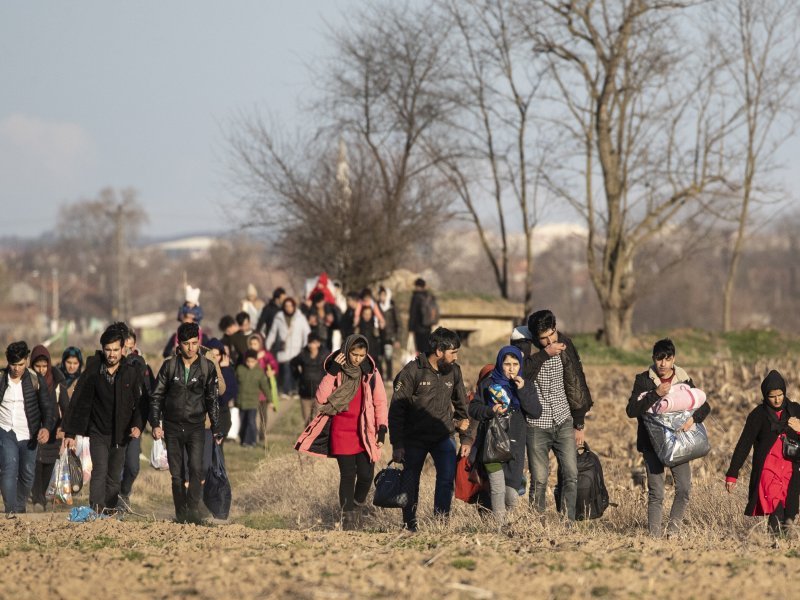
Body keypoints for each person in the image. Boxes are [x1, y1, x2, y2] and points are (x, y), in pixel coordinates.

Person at [295, 334, 388, 529]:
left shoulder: (370, 372)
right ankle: (348, 517)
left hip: (364, 430)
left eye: (361, 355)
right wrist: (332, 372)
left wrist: (382, 428)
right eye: (354, 354)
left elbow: (380, 401)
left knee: (366, 475)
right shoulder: (336, 371)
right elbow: (321, 399)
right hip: (340, 431)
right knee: (347, 475)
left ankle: (356, 505)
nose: (357, 359)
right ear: (347, 351)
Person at [512, 309, 593, 522]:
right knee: (539, 478)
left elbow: (577, 382)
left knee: (571, 474)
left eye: (552, 335)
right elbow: (520, 373)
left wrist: (579, 423)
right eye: (543, 338)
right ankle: (536, 522)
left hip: (564, 419)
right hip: (537, 424)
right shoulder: (526, 351)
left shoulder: (566, 345)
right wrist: (544, 354)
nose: (549, 341)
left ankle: (567, 521)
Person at [389, 327, 472, 532]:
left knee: (446, 479)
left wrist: (466, 439)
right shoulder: (411, 372)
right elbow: (397, 410)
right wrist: (397, 444)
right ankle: (410, 525)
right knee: (411, 480)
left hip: (444, 437)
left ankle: (440, 523)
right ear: (438, 351)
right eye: (452, 352)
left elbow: (462, 406)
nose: (455, 357)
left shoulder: (454, 371)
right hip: (414, 438)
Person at [627, 338, 711, 536]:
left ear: (673, 359)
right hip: (651, 444)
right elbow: (631, 410)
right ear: (653, 359)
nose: (663, 364)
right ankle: (654, 538)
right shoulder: (643, 380)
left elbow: (704, 405)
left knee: (683, 489)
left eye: (667, 359)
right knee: (656, 493)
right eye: (659, 359)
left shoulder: (684, 379)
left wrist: (693, 420)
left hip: (680, 443)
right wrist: (655, 394)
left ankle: (673, 532)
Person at [64, 323, 144, 513]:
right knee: (99, 470)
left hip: (121, 433)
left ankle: (109, 510)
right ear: (102, 349)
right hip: (98, 431)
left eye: (116, 350)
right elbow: (78, 401)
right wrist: (70, 432)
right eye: (108, 350)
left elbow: (140, 403)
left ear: (123, 349)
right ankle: (96, 510)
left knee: (114, 475)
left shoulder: (131, 373)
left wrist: (137, 424)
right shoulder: (93, 372)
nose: (112, 354)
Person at [149, 322, 222, 523]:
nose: (191, 348)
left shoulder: (207, 368)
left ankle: (192, 510)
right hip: (172, 427)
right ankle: (181, 514)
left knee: (197, 469)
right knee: (177, 474)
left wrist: (216, 427)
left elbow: (212, 399)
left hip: (196, 426)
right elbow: (156, 396)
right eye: (186, 344)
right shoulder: (169, 366)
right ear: (179, 344)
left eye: (194, 343)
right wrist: (155, 423)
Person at [469, 346, 541, 526]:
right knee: (498, 488)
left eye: (515, 364)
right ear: (500, 363)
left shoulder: (526, 385)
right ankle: (499, 529)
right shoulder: (488, 384)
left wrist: (522, 390)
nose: (511, 368)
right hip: (492, 443)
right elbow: (474, 408)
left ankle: (502, 521)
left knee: (511, 495)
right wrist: (490, 410)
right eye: (507, 364)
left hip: (515, 446)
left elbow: (535, 412)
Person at [726, 370, 800, 533]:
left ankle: (784, 550)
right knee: (776, 509)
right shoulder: (758, 415)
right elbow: (744, 444)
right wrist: (732, 473)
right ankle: (775, 544)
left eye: (780, 395)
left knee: (790, 514)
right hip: (768, 470)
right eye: (772, 396)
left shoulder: (795, 410)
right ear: (765, 395)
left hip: (790, 470)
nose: (777, 399)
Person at [0, 342, 53, 516]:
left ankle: (19, 506)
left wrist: (46, 428)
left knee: (28, 472)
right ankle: (10, 510)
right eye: (13, 364)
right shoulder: (1, 379)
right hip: (5, 430)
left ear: (27, 360)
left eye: (21, 364)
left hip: (29, 433)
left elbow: (47, 407)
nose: (16, 369)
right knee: (9, 467)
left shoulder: (35, 379)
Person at [29, 345, 69, 511]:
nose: (41, 370)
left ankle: (42, 497)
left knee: (48, 464)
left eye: (44, 366)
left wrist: (63, 427)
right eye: (37, 366)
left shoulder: (57, 381)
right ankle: (37, 499)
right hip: (33, 428)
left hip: (53, 428)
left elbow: (65, 407)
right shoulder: (27, 380)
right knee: (35, 463)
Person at [119, 329, 155, 511]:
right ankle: (113, 501)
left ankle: (124, 492)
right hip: (114, 426)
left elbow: (149, 396)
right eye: (124, 347)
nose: (127, 351)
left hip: (135, 424)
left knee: (133, 466)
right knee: (115, 466)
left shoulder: (142, 366)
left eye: (130, 347)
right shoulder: (108, 366)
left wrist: (150, 424)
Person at [265, 297, 310, 398]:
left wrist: (305, 347)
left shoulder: (300, 318)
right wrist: (267, 346)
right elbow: (273, 332)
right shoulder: (278, 317)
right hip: (284, 348)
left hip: (297, 349)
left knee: (295, 371)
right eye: (286, 306)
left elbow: (306, 333)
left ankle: (295, 390)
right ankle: (286, 391)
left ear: (294, 306)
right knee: (285, 370)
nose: (288, 308)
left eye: (290, 306)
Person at [236, 349, 277, 447]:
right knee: (242, 422)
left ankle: (251, 441)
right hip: (241, 401)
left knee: (251, 421)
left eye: (252, 362)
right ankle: (243, 440)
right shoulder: (240, 369)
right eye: (248, 361)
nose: (250, 364)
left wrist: (270, 400)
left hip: (253, 402)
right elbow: (234, 384)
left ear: (256, 361)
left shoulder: (259, 372)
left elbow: (265, 387)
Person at [247, 334, 278, 442]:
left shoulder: (266, 355)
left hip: (263, 389)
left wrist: (272, 371)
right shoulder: (247, 356)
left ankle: (262, 434)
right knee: (251, 415)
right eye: (251, 344)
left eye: (255, 344)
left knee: (263, 414)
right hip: (251, 389)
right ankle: (252, 434)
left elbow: (274, 365)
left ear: (260, 344)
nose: (253, 346)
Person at [290, 333, 326, 425]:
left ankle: (316, 439)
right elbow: (293, 363)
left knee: (317, 421)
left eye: (314, 343)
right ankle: (307, 439)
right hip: (305, 392)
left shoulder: (325, 354)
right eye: (310, 343)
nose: (311, 345)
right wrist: (298, 376)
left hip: (320, 393)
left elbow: (332, 369)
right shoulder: (303, 354)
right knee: (307, 422)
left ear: (318, 343)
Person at [407, 278, 437, 355]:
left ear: (417, 286)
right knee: (427, 349)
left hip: (418, 329)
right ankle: (428, 365)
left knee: (420, 350)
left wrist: (410, 329)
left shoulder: (416, 297)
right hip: (428, 327)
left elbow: (412, 314)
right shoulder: (428, 296)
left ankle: (422, 366)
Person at [378, 286, 398, 381]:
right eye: (380, 295)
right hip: (379, 336)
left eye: (384, 295)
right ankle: (380, 377)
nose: (382, 297)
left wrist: (396, 338)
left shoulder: (392, 308)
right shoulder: (377, 307)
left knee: (388, 357)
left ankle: (389, 377)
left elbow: (397, 323)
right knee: (379, 357)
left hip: (389, 337)